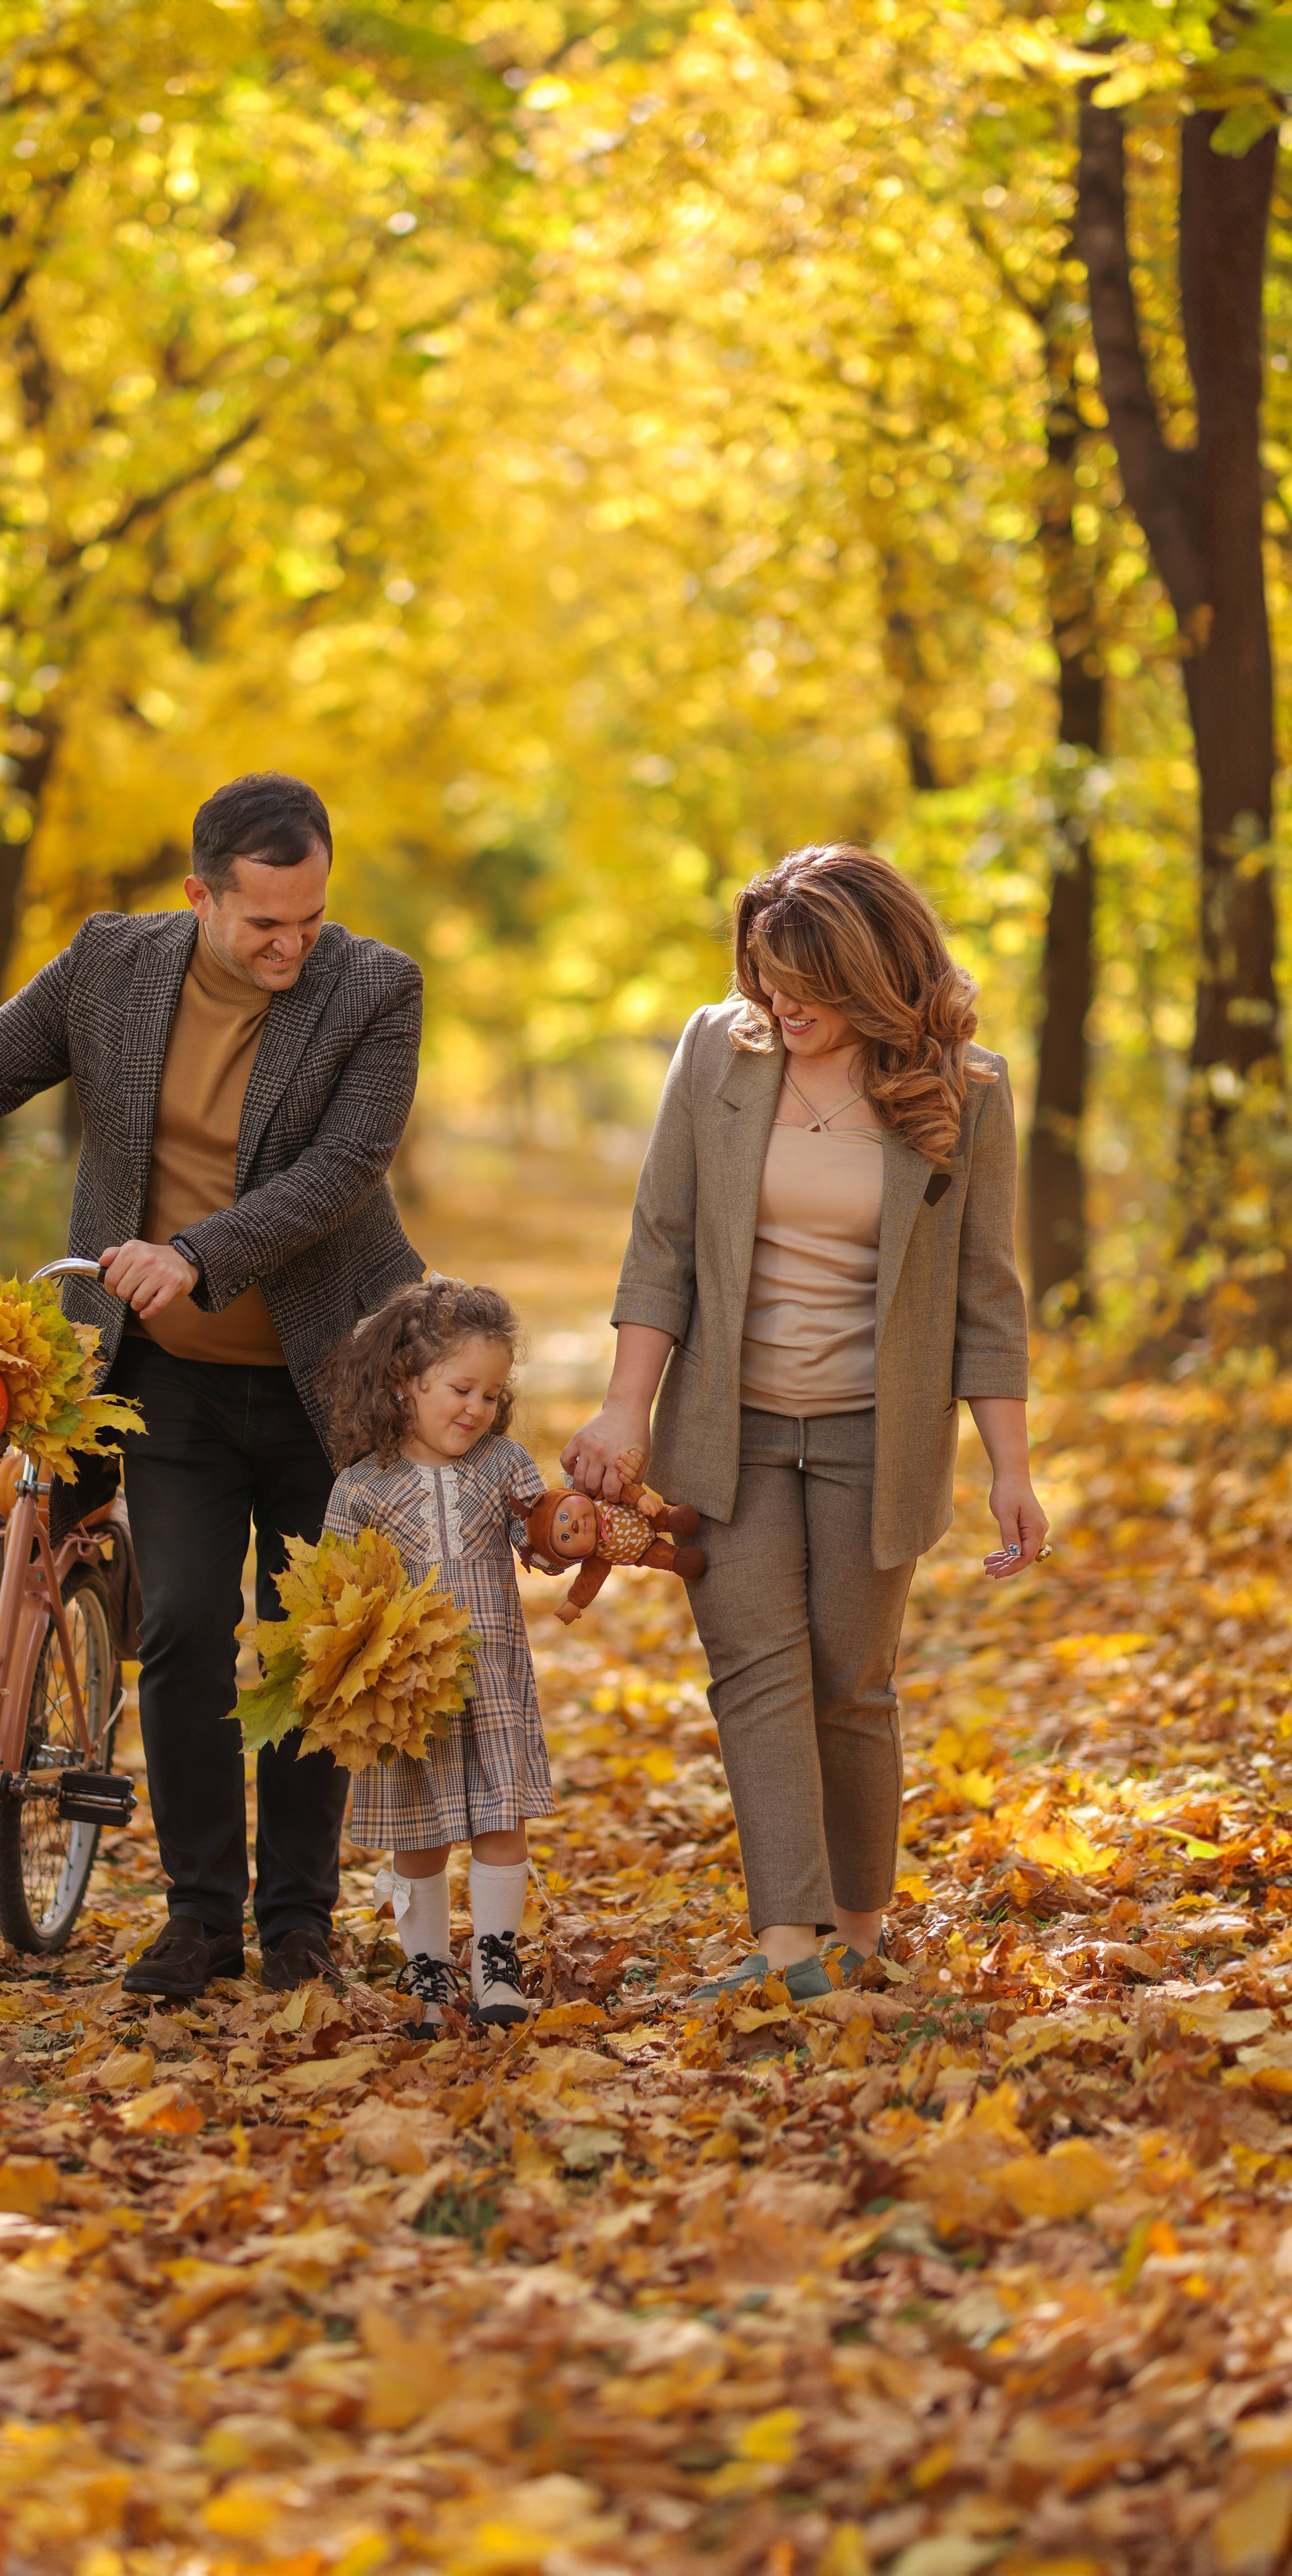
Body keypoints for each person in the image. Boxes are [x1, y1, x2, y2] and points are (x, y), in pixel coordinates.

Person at [0, 771, 425, 2000]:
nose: (290, 945)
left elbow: (343, 1167)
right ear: (199, 895)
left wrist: (198, 1252)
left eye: (309, 918)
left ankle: (299, 1919)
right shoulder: (112, 967)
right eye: (263, 921)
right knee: (177, 1625)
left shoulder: (374, 988)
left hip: (330, 1366)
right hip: (159, 1370)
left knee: (311, 1640)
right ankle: (203, 1913)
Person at [562, 842, 1045, 2002]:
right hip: (731, 1426)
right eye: (766, 980)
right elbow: (663, 1240)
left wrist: (1012, 1467)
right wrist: (628, 1405)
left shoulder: (964, 1088)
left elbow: (986, 1289)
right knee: (754, 1668)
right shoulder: (717, 1053)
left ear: (875, 975)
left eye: (806, 988)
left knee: (851, 1681)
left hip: (877, 1435)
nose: (781, 1007)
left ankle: (860, 1933)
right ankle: (789, 1947)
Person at [321, 1279, 552, 2036]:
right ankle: (427, 1977)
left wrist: (571, 1533)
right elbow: (335, 1594)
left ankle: (495, 1964)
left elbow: (541, 1542)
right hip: (407, 1697)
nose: (476, 1409)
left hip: (487, 1683)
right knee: (417, 1836)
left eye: (491, 1393)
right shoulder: (361, 1488)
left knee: (499, 1819)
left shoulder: (503, 1466)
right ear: (402, 1383)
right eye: (460, 1388)